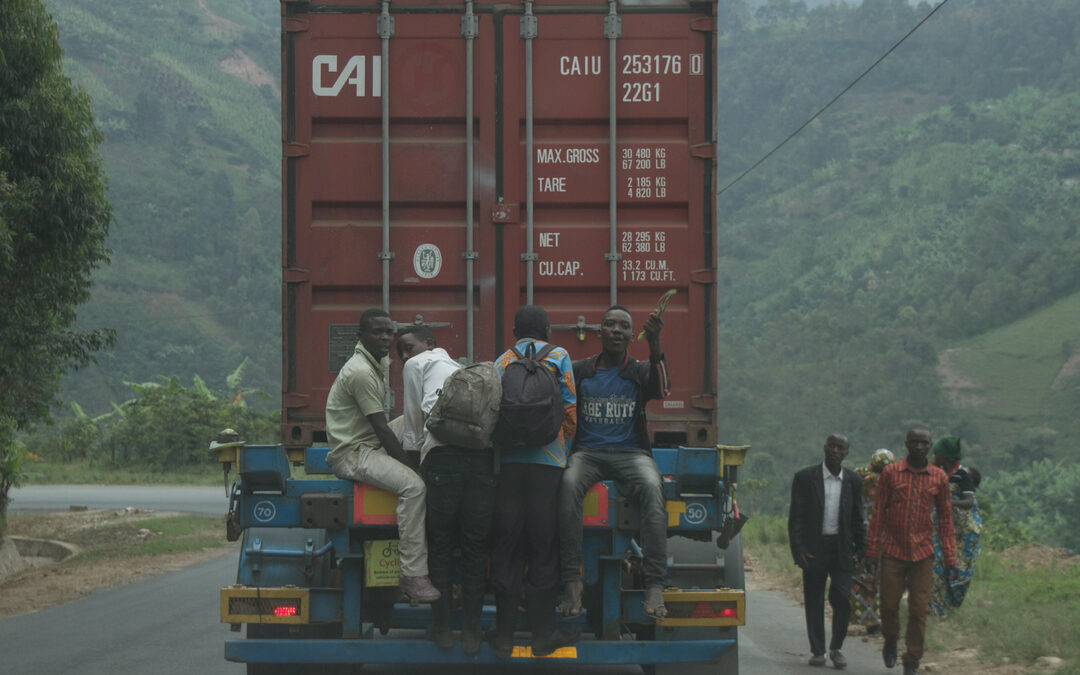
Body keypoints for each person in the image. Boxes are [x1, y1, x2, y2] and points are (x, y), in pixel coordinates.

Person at [558, 305, 672, 620]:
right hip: (588, 453)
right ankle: (571, 580)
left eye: (624, 326)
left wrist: (655, 343)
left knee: (652, 486)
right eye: (610, 324)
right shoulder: (581, 370)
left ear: (630, 335)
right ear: (600, 332)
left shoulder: (638, 370)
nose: (617, 330)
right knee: (567, 485)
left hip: (631, 453)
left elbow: (662, 389)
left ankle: (654, 585)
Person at [324, 309, 439, 603]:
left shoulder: (377, 361)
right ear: (360, 336)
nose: (386, 338)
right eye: (378, 332)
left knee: (416, 419)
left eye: (389, 331)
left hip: (369, 440)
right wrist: (414, 468)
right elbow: (383, 432)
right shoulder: (360, 371)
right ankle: (413, 574)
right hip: (353, 452)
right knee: (414, 487)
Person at [395, 325, 496, 654]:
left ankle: (441, 628)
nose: (405, 355)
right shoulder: (461, 368)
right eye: (401, 352)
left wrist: (412, 466)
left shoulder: (415, 366)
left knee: (439, 544)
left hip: (442, 460)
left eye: (407, 347)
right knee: (475, 546)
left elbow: (412, 426)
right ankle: (471, 631)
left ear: (428, 343)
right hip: (481, 460)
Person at [488, 305, 579, 658]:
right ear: (547, 329)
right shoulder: (559, 355)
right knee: (543, 545)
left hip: (509, 465)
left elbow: (492, 409)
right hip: (549, 465)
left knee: (507, 545)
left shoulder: (502, 361)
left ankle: (504, 636)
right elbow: (570, 407)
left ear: (514, 331)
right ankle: (543, 635)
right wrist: (563, 449)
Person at [866, 426, 958, 675]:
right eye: (914, 442)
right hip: (893, 550)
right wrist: (872, 550)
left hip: (923, 553)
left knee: (918, 610)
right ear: (906, 443)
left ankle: (911, 660)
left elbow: (946, 521)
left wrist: (951, 558)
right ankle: (890, 639)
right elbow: (878, 514)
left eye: (923, 443)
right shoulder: (890, 473)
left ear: (930, 446)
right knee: (888, 605)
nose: (918, 447)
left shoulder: (939, 478)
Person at [788, 433, 866, 669]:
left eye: (840, 447)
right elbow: (796, 517)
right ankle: (818, 650)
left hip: (842, 549)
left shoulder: (853, 480)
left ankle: (837, 647)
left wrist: (861, 548)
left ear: (846, 453)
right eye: (831, 446)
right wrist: (798, 548)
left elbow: (857, 517)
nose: (834, 450)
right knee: (813, 599)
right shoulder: (805, 478)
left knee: (842, 598)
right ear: (824, 448)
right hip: (813, 549)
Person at [928, 436, 982, 617]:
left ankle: (947, 609)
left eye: (936, 454)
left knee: (957, 570)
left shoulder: (962, 475)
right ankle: (936, 609)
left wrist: (949, 502)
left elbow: (969, 501)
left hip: (963, 532)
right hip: (943, 530)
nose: (933, 457)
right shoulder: (939, 474)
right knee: (936, 565)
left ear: (944, 456)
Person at [848, 448, 895, 634]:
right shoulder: (891, 483)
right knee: (881, 579)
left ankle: (858, 618)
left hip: (859, 534)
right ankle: (878, 621)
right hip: (883, 537)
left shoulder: (859, 479)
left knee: (858, 577)